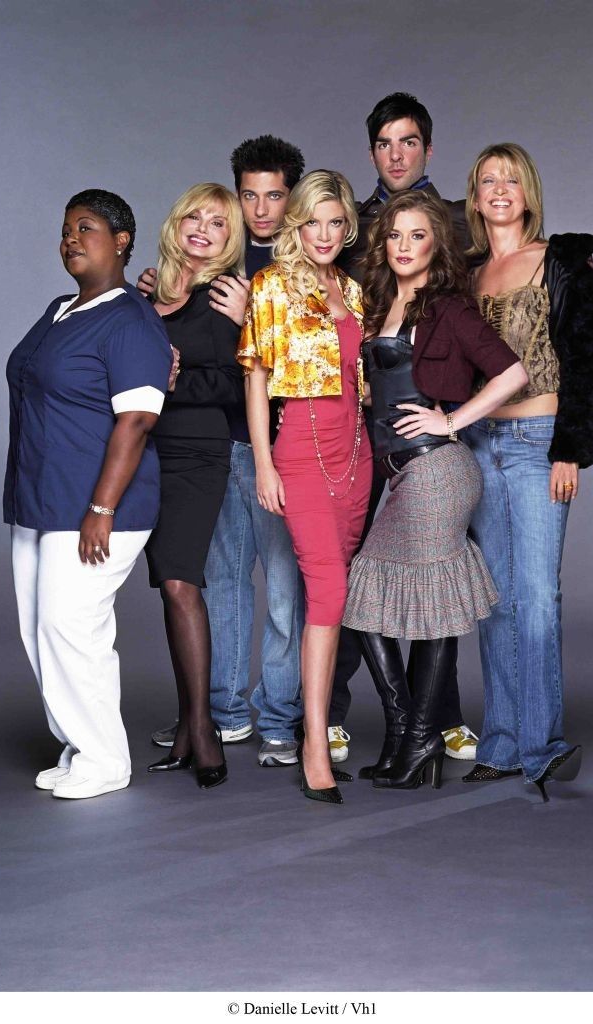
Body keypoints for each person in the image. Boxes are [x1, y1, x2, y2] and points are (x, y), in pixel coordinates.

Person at [342, 191, 527, 789]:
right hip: (398, 473)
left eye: (417, 235)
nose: (403, 246)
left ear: (436, 244)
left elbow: (513, 372)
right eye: (395, 235)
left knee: (422, 608)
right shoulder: (377, 303)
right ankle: (408, 734)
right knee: (372, 599)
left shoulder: (448, 308)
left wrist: (451, 420)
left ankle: (417, 736)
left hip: (437, 469)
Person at [141, 137, 309, 768]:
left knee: (285, 592)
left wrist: (251, 324)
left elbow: (311, 364)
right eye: (248, 196)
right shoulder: (216, 267)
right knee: (224, 586)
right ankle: (224, 713)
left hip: (279, 449)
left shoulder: (306, 262)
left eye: (274, 196)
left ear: (292, 199)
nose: (261, 208)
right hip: (221, 449)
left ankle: (280, 718)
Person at [4, 189, 173, 800]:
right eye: (66, 230)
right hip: (40, 499)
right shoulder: (60, 310)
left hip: (97, 506)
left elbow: (137, 419)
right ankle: (79, 745)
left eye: (86, 228)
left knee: (72, 627)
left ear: (122, 241)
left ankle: (104, 760)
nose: (71, 239)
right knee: (40, 629)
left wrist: (101, 509)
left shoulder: (131, 319)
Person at [331, 91, 478, 765]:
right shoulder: (354, 226)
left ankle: (435, 718)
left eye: (409, 142)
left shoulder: (458, 220)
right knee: (360, 569)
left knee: (432, 572)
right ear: (371, 153)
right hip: (365, 428)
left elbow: (511, 262)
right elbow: (303, 269)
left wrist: (567, 262)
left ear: (428, 148)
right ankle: (338, 712)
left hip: (433, 427)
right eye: (385, 144)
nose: (396, 155)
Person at [460, 143, 593, 800]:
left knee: (539, 595)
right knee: (495, 598)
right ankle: (501, 742)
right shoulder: (466, 274)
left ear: (528, 194)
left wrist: (570, 448)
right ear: (475, 195)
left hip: (538, 441)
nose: (500, 189)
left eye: (511, 180)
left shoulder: (561, 263)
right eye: (488, 180)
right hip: (478, 444)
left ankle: (541, 747)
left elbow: (586, 359)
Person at [238, 170, 372, 803]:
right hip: (300, 449)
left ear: (347, 228)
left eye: (335, 222)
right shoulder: (271, 286)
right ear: (297, 225)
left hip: (356, 453)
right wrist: (264, 465)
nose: (324, 234)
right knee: (328, 592)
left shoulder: (353, 289)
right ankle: (314, 742)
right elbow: (256, 379)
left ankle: (316, 727)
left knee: (334, 597)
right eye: (313, 221)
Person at [143, 183, 245, 790]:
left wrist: (170, 384)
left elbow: (238, 383)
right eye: (194, 217)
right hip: (140, 453)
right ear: (176, 223)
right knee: (167, 584)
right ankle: (187, 725)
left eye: (218, 222)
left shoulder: (225, 298)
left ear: (230, 238)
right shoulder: (144, 297)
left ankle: (203, 727)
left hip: (196, 454)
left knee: (182, 582)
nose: (203, 228)